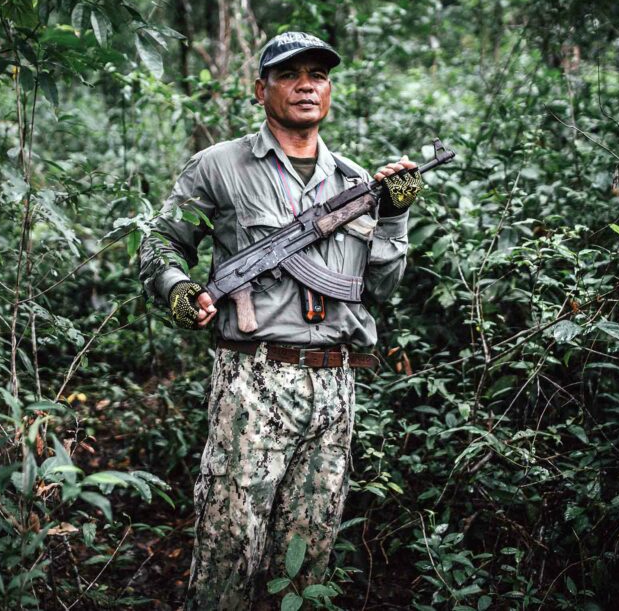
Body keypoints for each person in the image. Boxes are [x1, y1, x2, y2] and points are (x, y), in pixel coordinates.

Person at [139, 31, 423, 610]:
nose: (306, 86)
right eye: (290, 75)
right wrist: (178, 289)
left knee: (308, 554)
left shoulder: (352, 181)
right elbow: (161, 243)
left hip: (337, 386)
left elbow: (379, 289)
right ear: (260, 88)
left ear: (330, 89)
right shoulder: (219, 166)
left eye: (317, 74)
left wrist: (393, 218)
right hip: (255, 380)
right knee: (229, 547)